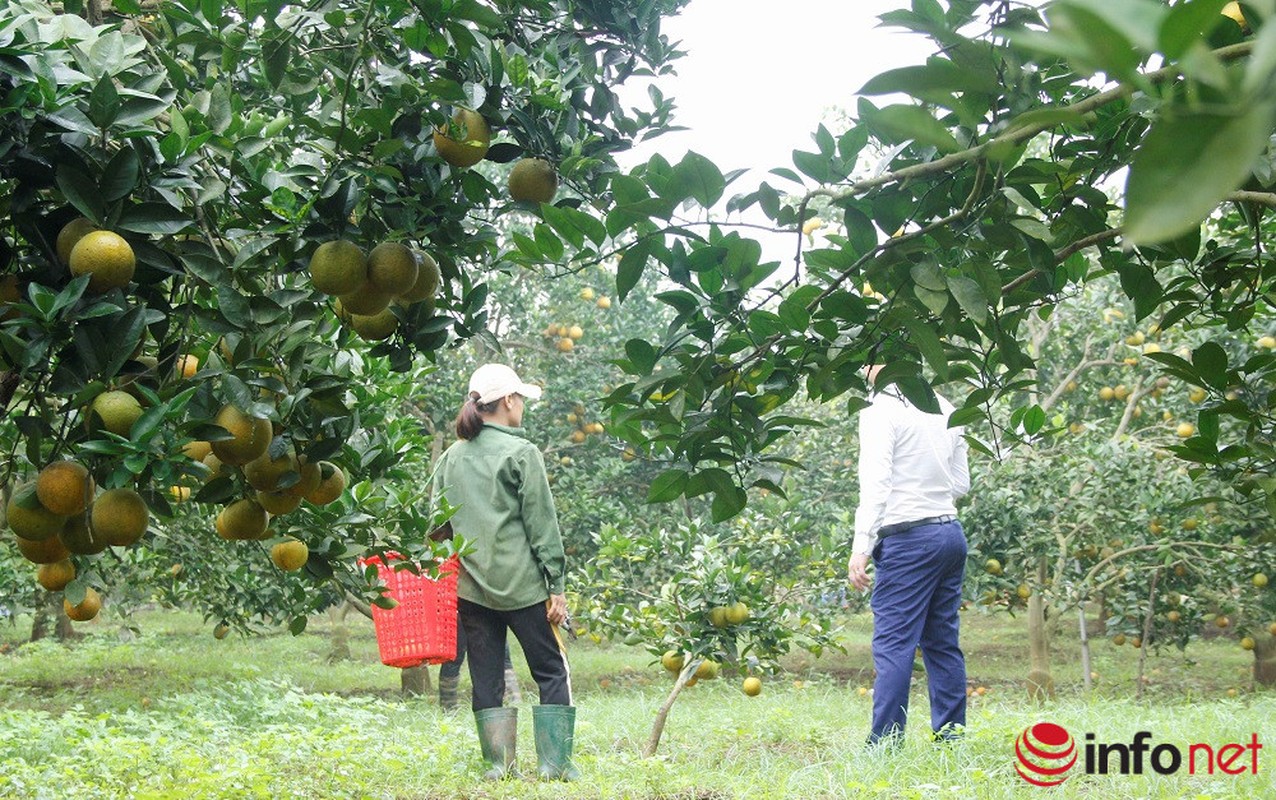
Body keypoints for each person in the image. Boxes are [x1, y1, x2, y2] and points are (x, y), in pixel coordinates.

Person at [432, 363, 577, 780]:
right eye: (522, 400)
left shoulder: (450, 458)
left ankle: (498, 768)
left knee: (486, 678)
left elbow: (436, 526)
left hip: (472, 591)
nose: (523, 408)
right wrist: (557, 587)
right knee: (551, 670)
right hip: (526, 589)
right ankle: (554, 766)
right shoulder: (522, 453)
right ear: (509, 401)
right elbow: (542, 525)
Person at [847, 363, 970, 747]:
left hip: (909, 539)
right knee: (942, 643)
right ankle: (951, 740)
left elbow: (876, 482)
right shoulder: (947, 407)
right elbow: (961, 484)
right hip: (950, 533)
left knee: (894, 644)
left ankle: (884, 744)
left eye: (866, 360)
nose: (862, 368)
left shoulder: (880, 411)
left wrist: (861, 545)